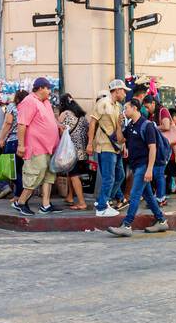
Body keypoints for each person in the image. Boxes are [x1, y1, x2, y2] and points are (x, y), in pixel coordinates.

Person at [105, 99, 168, 238]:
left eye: (126, 108)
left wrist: (150, 169)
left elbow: (153, 148)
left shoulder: (147, 125)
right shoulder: (132, 125)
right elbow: (121, 140)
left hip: (144, 165)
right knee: (148, 196)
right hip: (136, 165)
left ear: (134, 108)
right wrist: (118, 125)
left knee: (134, 194)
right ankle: (161, 221)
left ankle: (126, 224)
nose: (124, 111)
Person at [12, 77, 61, 216]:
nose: (50, 91)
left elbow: (50, 121)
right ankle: (20, 203)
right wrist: (21, 145)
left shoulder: (45, 102)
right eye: (48, 88)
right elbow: (22, 124)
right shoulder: (29, 101)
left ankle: (46, 205)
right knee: (34, 175)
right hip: (36, 147)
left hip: (49, 147)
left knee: (48, 176)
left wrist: (59, 126)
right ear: (40, 88)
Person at [91, 79, 128, 216]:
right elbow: (92, 123)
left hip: (115, 146)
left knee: (120, 175)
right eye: (123, 90)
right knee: (109, 177)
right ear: (117, 90)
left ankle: (103, 200)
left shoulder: (117, 106)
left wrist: (123, 145)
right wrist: (90, 143)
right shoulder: (103, 103)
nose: (125, 93)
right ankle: (101, 207)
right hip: (105, 146)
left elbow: (118, 128)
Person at [56, 92, 90, 211]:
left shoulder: (65, 114)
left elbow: (59, 131)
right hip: (83, 151)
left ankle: (81, 202)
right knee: (72, 174)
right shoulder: (82, 116)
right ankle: (70, 197)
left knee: (74, 175)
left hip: (71, 151)